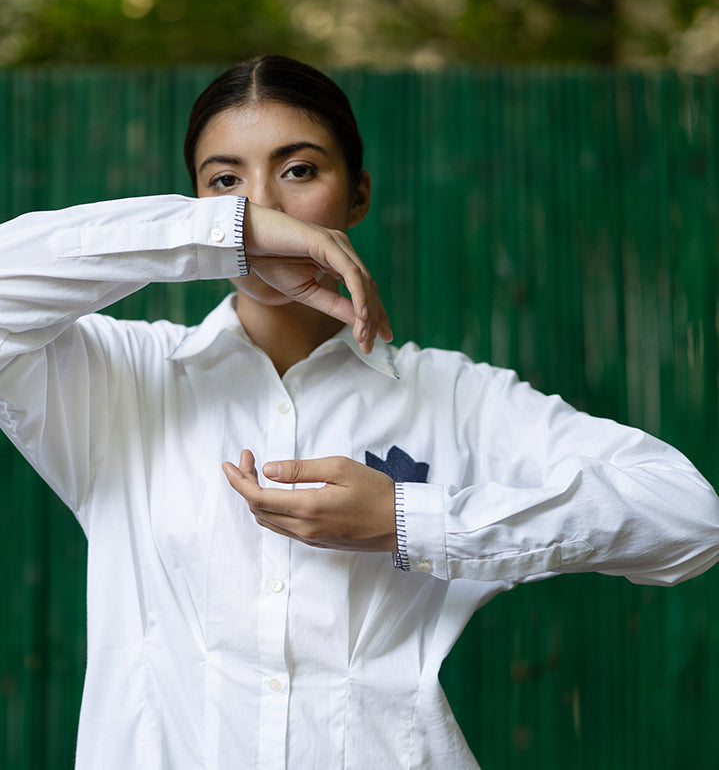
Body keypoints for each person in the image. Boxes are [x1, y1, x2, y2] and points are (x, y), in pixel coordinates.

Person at [0, 54, 717, 770]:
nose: (264, 206)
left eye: (299, 170)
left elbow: (689, 517)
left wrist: (412, 520)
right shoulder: (114, 377)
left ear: (358, 193)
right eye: (226, 182)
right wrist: (223, 234)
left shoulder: (454, 397)